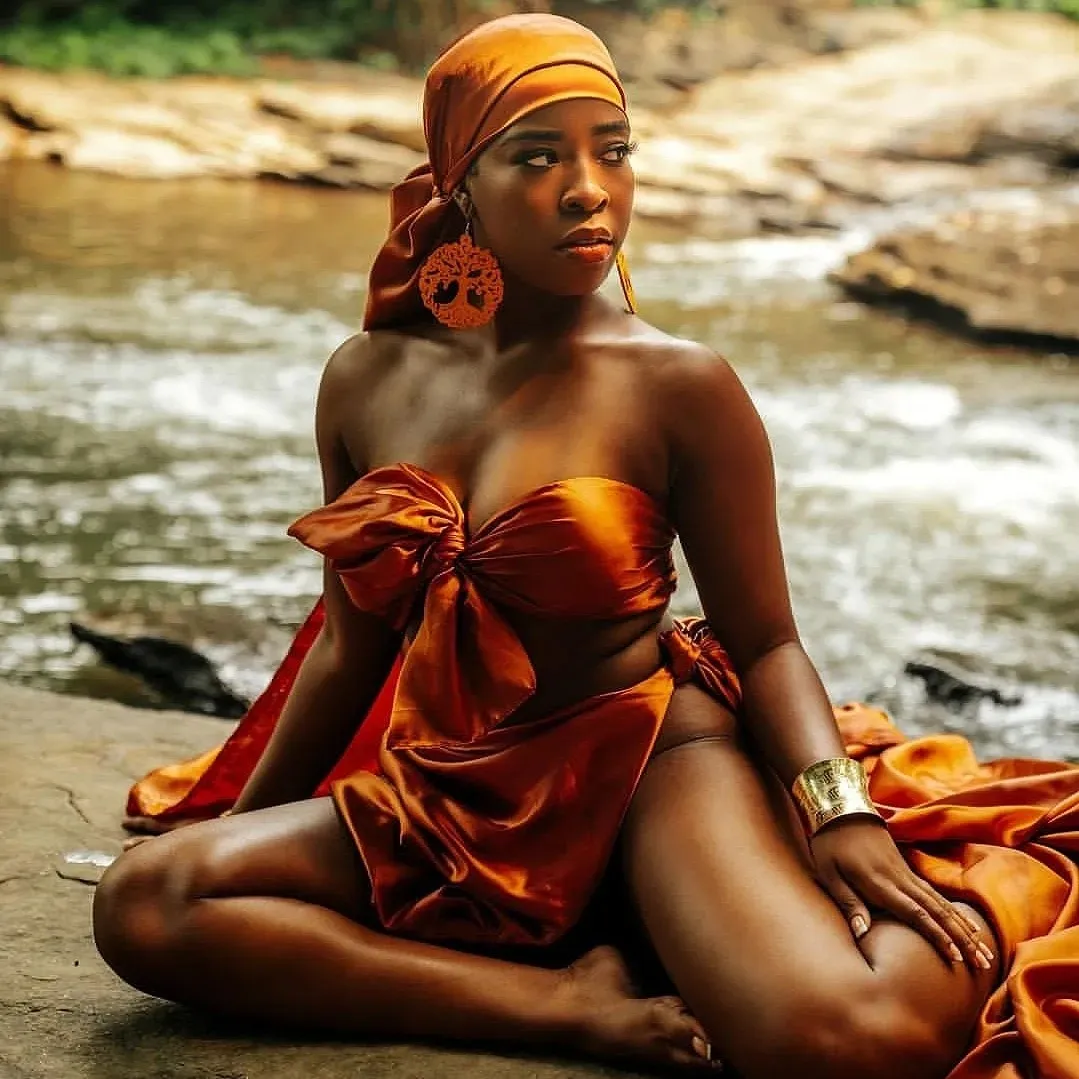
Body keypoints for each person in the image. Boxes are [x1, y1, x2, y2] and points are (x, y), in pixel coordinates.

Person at [92, 14, 1079, 1079]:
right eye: (537, 155)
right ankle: (566, 1002)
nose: (587, 189)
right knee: (149, 904)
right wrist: (237, 830)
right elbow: (351, 639)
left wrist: (835, 813)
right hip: (457, 784)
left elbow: (769, 641)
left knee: (847, 1039)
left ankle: (795, 903)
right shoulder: (365, 377)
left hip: (655, 758)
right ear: (459, 184)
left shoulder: (678, 384)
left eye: (612, 150)